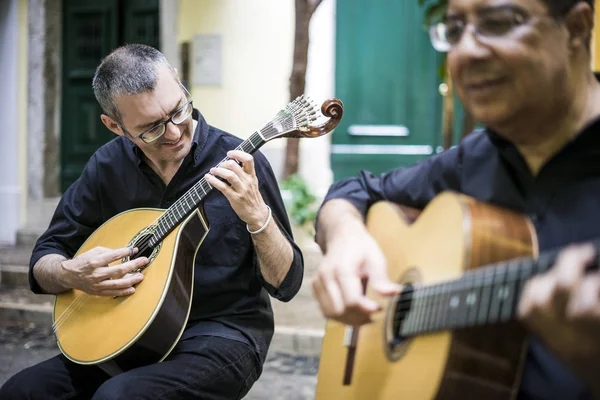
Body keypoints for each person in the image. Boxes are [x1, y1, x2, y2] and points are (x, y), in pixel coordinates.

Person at [312, 0, 600, 399]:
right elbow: (355, 189)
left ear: (577, 28)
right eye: (454, 29)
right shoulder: (478, 155)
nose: (466, 50)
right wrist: (345, 236)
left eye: (499, 23)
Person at [0, 44, 304, 399]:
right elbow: (45, 259)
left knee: (120, 397)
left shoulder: (241, 163)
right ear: (114, 125)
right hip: (127, 334)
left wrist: (258, 218)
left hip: (224, 336)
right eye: (151, 129)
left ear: (178, 83)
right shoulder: (107, 167)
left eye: (178, 111)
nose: (174, 132)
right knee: (22, 391)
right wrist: (71, 273)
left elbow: (288, 283)